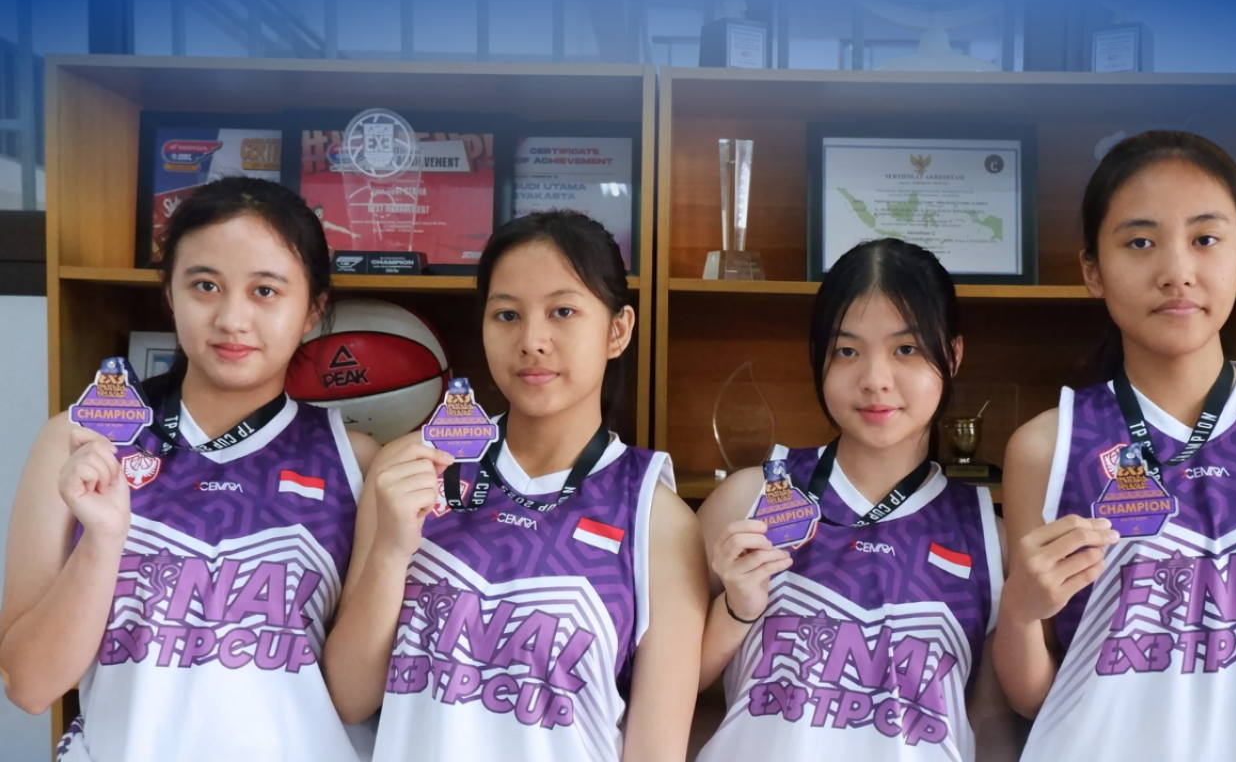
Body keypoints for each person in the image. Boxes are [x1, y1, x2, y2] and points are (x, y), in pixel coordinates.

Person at [995, 130, 1236, 761]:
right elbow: (1034, 696)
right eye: (1140, 242)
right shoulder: (1047, 446)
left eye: (1205, 239)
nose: (1176, 273)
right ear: (1093, 270)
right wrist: (1020, 611)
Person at [0, 176, 379, 761]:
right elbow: (28, 686)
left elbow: (356, 693)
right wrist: (103, 540)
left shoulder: (356, 461)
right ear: (171, 294)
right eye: (206, 285)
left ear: (312, 309)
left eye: (265, 291)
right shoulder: (81, 439)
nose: (232, 318)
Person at [322, 210, 708, 762]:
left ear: (617, 330)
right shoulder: (414, 469)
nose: (532, 341)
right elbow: (348, 697)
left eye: (563, 311)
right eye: (507, 314)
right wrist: (390, 552)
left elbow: (655, 751)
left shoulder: (658, 519)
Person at [695, 239, 1011, 761]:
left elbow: (990, 731)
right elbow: (660, 688)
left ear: (952, 356)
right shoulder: (749, 500)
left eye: (906, 349)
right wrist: (734, 610)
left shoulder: (989, 540)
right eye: (847, 351)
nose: (875, 380)